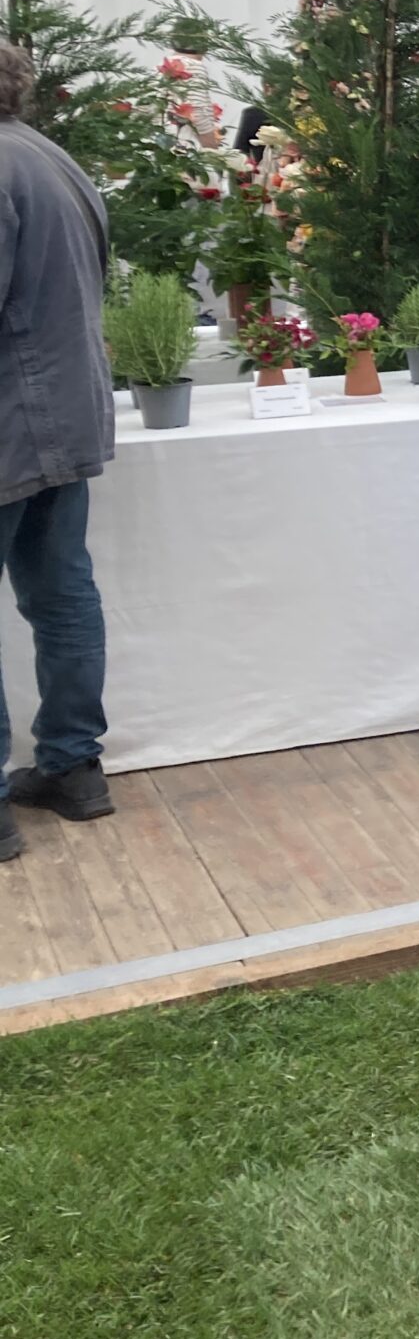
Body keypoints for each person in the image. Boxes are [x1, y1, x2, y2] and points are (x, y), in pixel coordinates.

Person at [0, 44, 116, 861]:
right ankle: (73, 768)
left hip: (12, 417)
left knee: (62, 592)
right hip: (64, 413)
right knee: (62, 591)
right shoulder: (47, 156)